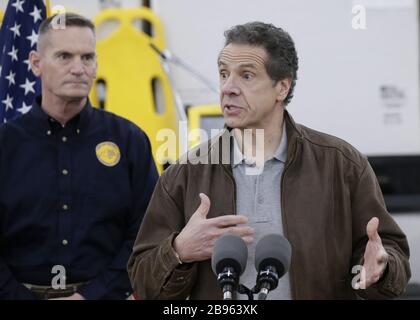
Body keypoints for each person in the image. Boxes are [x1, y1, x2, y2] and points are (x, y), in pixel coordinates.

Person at [127, 22, 411, 300]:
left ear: (282, 88)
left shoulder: (342, 165)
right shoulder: (185, 174)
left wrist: (380, 270)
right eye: (224, 74)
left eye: (246, 76)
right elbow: (143, 282)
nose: (229, 87)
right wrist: (178, 251)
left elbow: (389, 257)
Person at [0, 13, 158, 300]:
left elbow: (147, 231)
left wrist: (93, 295)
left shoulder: (130, 141)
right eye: (64, 56)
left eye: (87, 58)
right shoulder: (5, 145)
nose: (78, 68)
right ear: (36, 64)